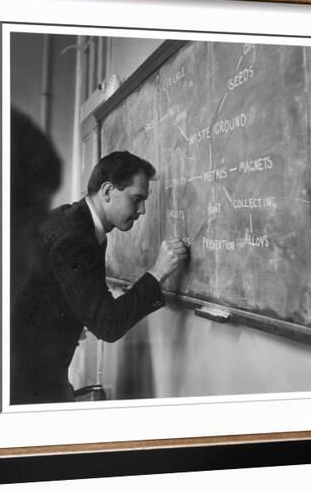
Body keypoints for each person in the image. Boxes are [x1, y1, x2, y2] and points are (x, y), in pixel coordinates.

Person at [10, 151, 187, 404]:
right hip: (27, 380)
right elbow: (108, 324)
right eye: (136, 199)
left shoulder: (71, 219)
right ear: (107, 192)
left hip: (29, 369)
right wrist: (158, 272)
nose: (143, 210)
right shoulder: (74, 237)